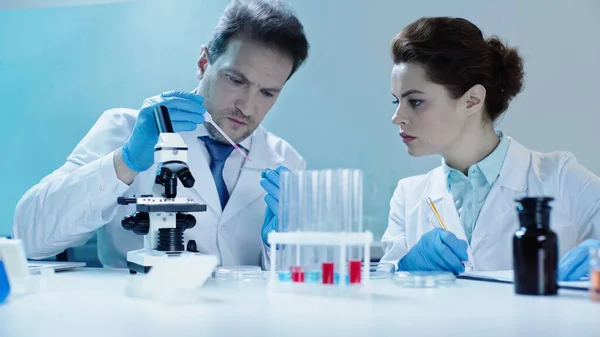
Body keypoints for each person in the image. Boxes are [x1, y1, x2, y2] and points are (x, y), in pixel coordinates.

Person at [12, 0, 309, 269]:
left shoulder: (285, 163)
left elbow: (292, 287)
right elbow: (29, 236)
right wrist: (125, 161)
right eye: (235, 80)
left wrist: (282, 245)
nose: (247, 107)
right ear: (204, 64)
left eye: (268, 93)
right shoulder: (125, 129)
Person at [380, 17, 600, 281]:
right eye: (397, 101)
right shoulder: (408, 196)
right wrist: (404, 268)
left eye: (414, 101)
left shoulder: (560, 177)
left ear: (472, 100)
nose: (397, 117)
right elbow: (383, 292)